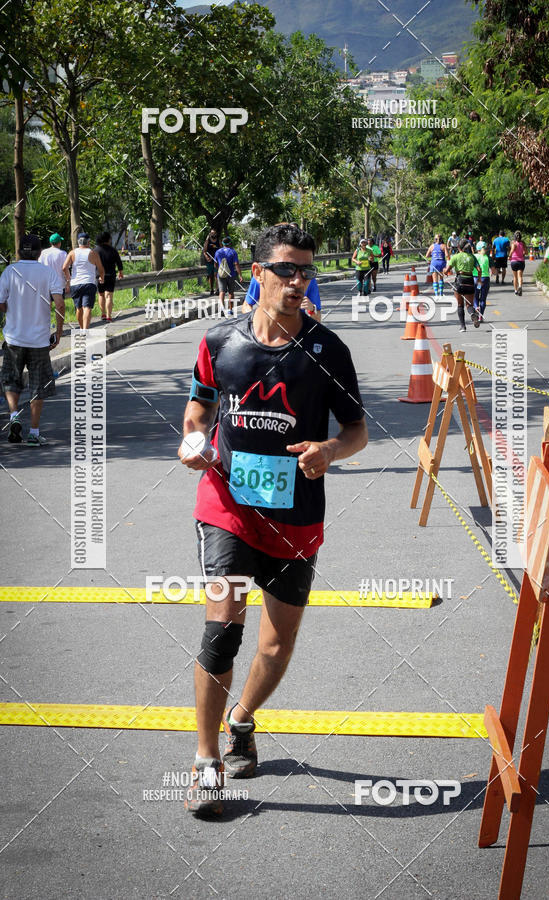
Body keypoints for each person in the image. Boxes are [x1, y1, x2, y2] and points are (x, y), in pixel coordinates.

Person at [178, 223, 368, 816]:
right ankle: (206, 764)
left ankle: (242, 719)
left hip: (297, 517)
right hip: (227, 506)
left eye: (305, 270)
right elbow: (198, 410)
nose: (297, 280)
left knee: (277, 643)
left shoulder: (328, 351)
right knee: (222, 630)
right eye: (286, 269)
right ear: (257, 272)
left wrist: (329, 451)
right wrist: (193, 441)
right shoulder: (219, 341)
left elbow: (357, 430)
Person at [0, 233, 65, 445]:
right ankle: (34, 434)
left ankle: (14, 417)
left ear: (19, 251)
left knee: (11, 380)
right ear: (39, 253)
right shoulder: (47, 273)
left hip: (13, 338)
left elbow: (0, 302)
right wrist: (59, 332)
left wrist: (10, 309)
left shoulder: (9, 271)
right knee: (38, 385)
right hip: (39, 341)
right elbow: (60, 304)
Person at [63, 233, 104, 330]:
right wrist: (102, 277)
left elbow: (64, 267)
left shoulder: (72, 253)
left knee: (79, 308)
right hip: (89, 283)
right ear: (88, 242)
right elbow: (101, 269)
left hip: (75, 284)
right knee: (87, 307)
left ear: (78, 242)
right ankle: (85, 330)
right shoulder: (93, 253)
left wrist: (69, 278)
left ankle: (81, 329)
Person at [242, 274, 322, 321]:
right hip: (268, 330)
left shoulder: (309, 279)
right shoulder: (262, 275)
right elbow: (246, 305)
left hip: (296, 332)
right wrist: (254, 322)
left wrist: (311, 309)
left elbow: (318, 319)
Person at [444, 238, 481, 331]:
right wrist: (479, 280)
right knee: (469, 305)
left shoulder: (455, 257)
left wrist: (445, 272)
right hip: (470, 281)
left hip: (460, 281)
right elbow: (479, 269)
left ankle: (463, 326)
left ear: (458, 247)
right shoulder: (472, 257)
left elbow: (447, 270)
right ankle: (473, 314)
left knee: (460, 305)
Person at [95, 232, 123, 322]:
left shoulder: (95, 250)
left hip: (99, 275)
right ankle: (109, 316)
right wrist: (120, 272)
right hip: (110, 275)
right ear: (108, 239)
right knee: (109, 296)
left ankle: (103, 313)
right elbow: (119, 262)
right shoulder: (113, 250)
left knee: (101, 294)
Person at [214, 236, 242, 315]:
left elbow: (215, 264)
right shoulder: (233, 252)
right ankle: (230, 309)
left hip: (221, 275)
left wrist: (219, 270)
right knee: (231, 292)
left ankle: (222, 309)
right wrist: (240, 275)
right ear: (229, 243)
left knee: (222, 292)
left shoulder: (218, 252)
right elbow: (236, 264)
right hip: (231, 274)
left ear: (222, 243)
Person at [39, 233, 67, 298]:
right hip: (59, 283)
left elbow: (40, 267)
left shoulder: (44, 252)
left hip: (46, 282)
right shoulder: (63, 253)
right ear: (59, 243)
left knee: (47, 303)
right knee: (59, 303)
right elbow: (65, 268)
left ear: (50, 242)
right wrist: (67, 281)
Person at [473, 243, 490, 322]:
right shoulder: (487, 257)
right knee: (483, 299)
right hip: (485, 279)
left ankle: (476, 306)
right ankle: (481, 316)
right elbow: (493, 270)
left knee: (476, 295)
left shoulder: (474, 257)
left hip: (477, 279)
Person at [509, 231, 526, 296]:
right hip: (521, 261)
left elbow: (512, 251)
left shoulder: (514, 243)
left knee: (515, 276)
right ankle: (520, 286)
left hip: (514, 261)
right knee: (520, 276)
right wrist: (522, 254)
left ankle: (516, 290)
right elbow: (526, 252)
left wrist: (509, 256)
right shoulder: (523, 243)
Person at [203, 229, 220, 295]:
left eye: (214, 233)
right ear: (210, 234)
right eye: (212, 233)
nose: (213, 234)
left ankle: (217, 289)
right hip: (210, 261)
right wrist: (207, 257)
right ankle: (211, 289)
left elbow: (221, 249)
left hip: (216, 260)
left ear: (216, 234)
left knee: (216, 275)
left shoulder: (218, 241)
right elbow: (204, 251)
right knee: (211, 276)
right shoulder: (207, 241)